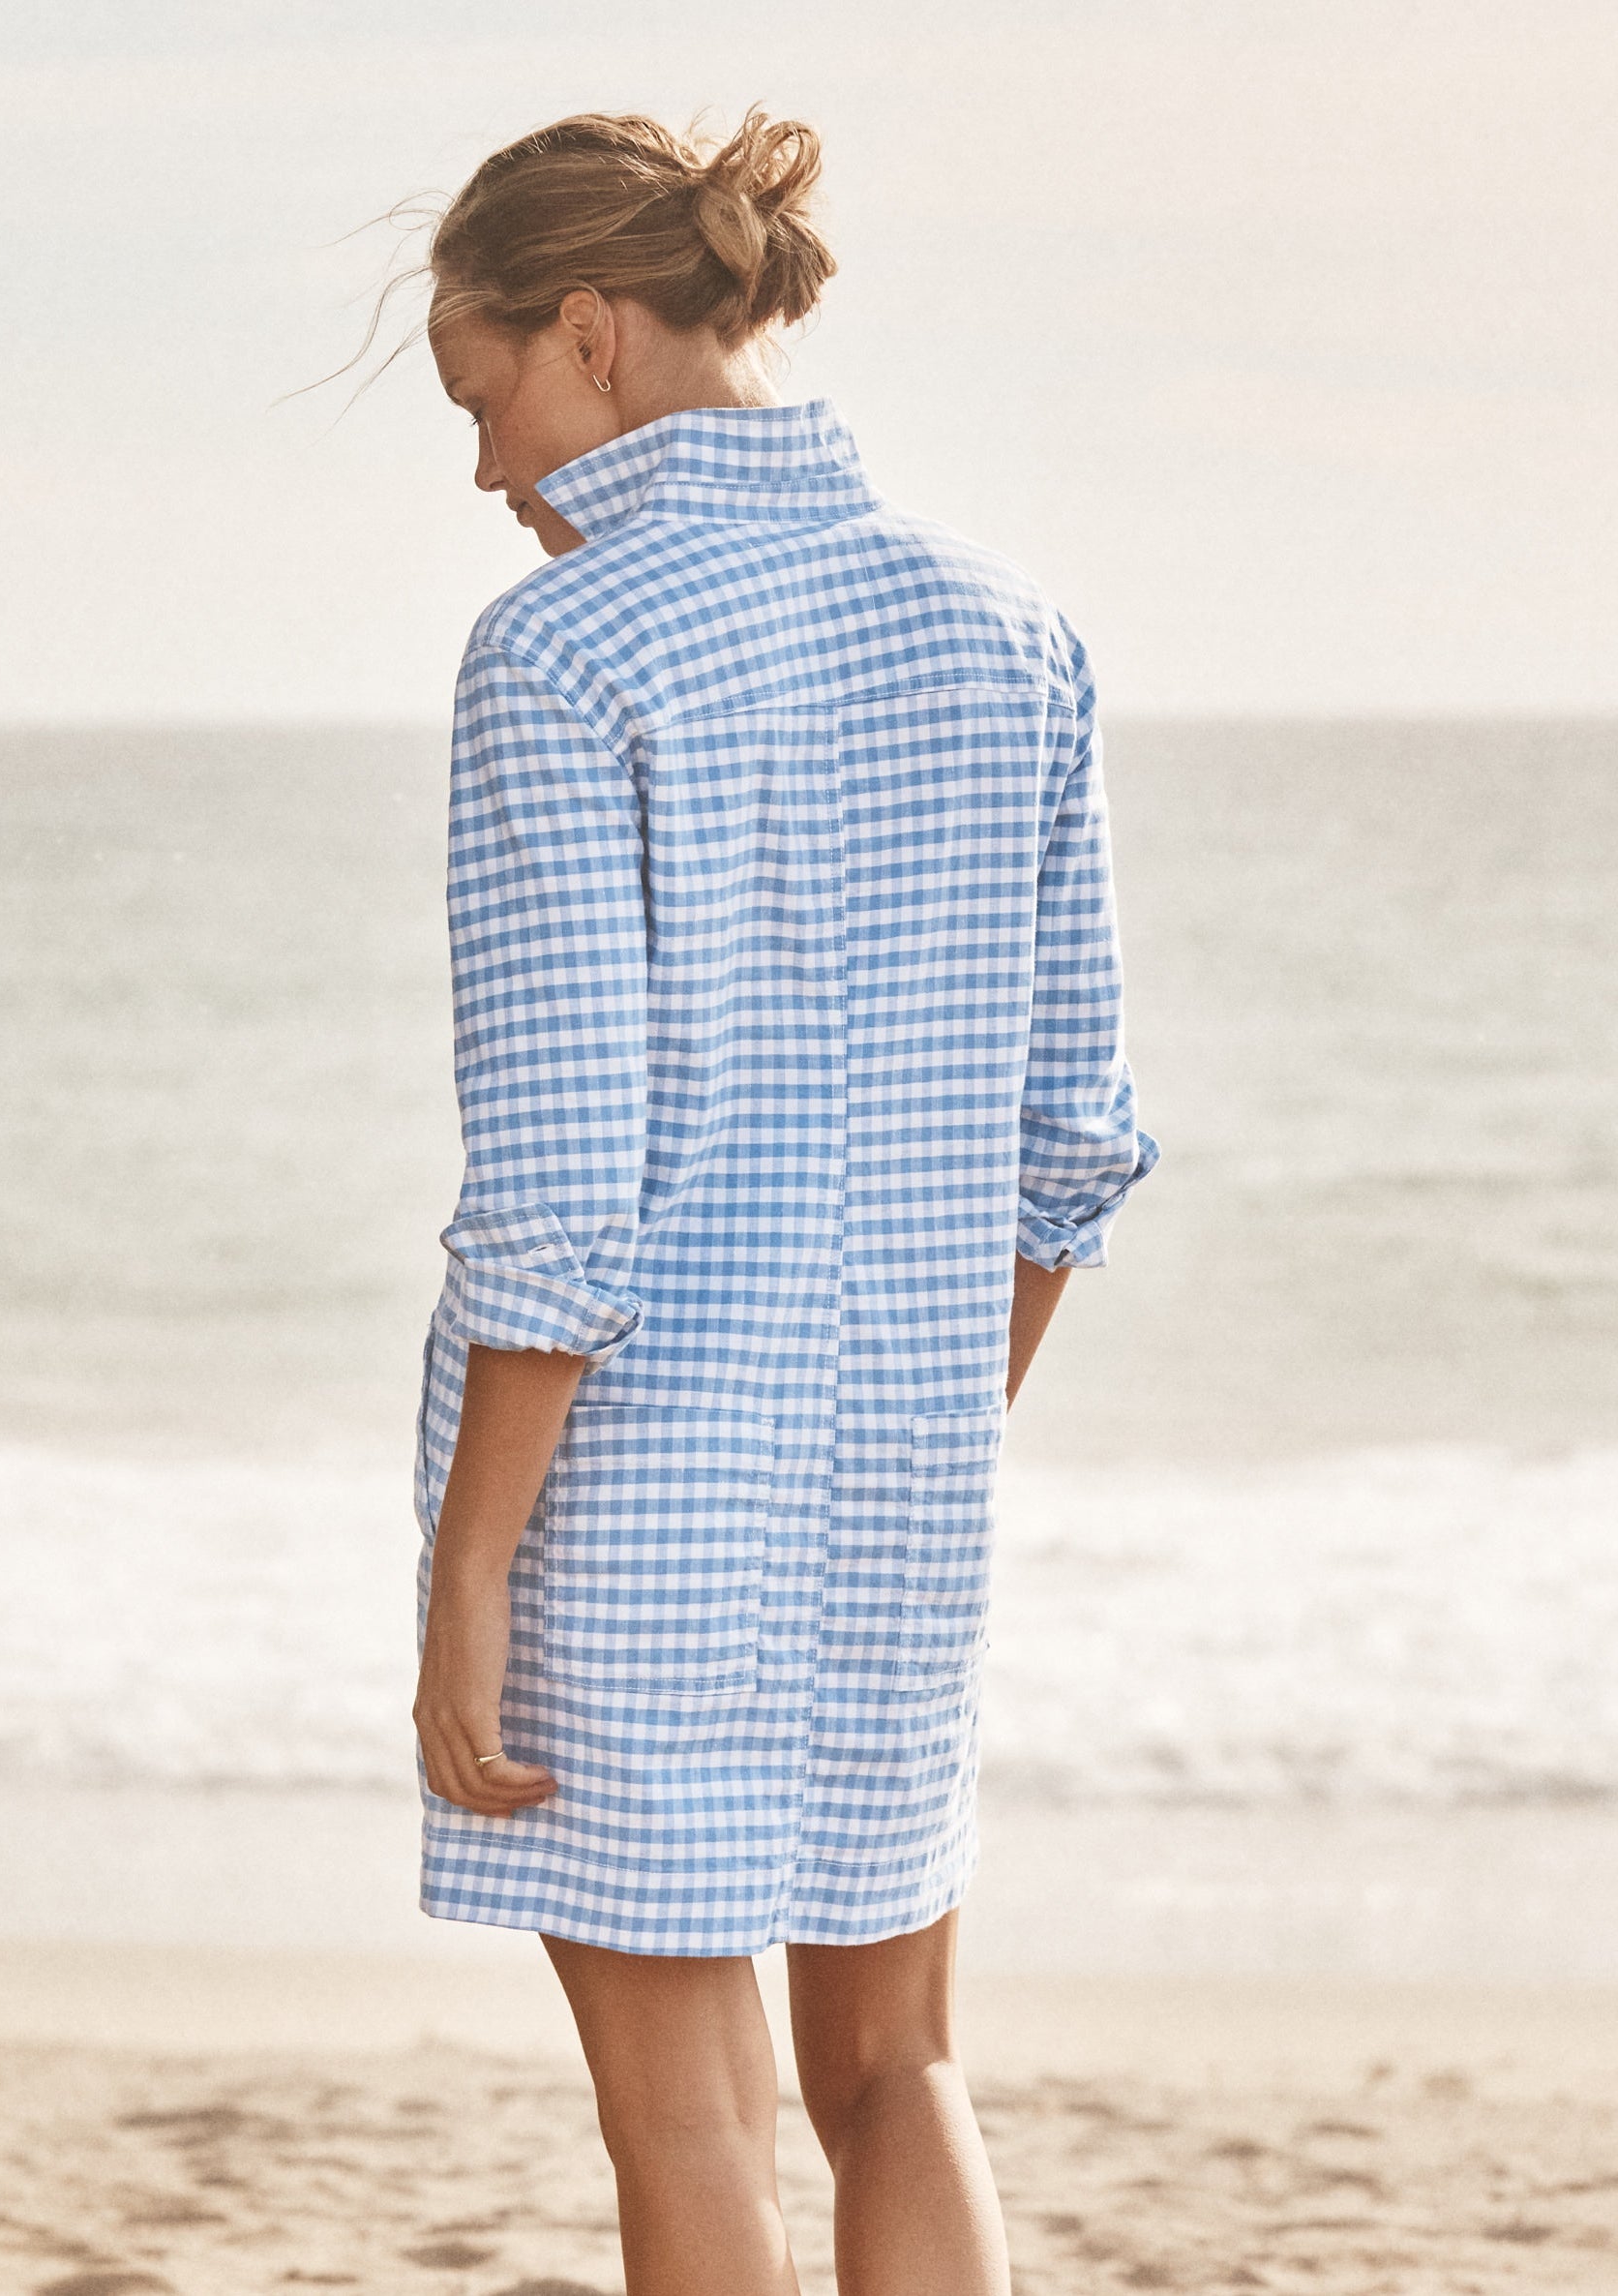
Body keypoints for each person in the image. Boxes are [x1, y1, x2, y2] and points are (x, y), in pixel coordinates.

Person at [407, 106, 1157, 2296]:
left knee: (687, 2116)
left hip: (624, 1498)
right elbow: (1076, 1141)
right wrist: (933, 1409)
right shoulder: (1010, 635)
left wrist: (473, 1573)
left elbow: (559, 1191)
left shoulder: (564, 656)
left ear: (589, 328)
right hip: (899, 1483)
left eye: (488, 400)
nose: (487, 472)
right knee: (900, 2071)